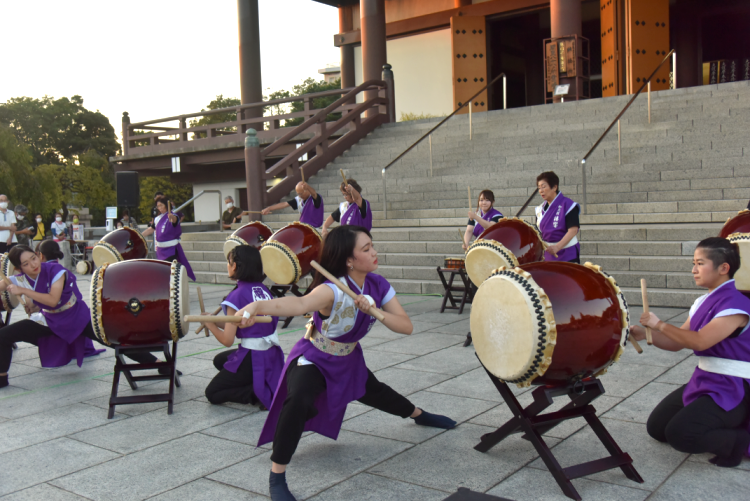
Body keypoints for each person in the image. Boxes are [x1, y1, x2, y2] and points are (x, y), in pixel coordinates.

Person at [236, 225, 456, 501]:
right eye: (366, 249)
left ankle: (418, 415)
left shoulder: (378, 285)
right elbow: (299, 305)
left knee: (375, 391)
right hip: (315, 358)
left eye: (372, 246)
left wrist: (375, 310)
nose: (374, 253)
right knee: (300, 400)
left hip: (348, 358)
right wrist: (257, 307)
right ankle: (277, 475)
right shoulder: (332, 290)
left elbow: (406, 326)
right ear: (349, 260)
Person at [632, 237, 750, 468]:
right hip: (706, 379)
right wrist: (643, 334)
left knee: (681, 435)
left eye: (700, 263)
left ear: (723, 268)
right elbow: (678, 342)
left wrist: (660, 324)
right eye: (693, 263)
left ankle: (736, 439)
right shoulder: (702, 301)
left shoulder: (737, 306)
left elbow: (700, 341)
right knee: (657, 428)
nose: (694, 270)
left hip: (735, 388)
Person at [0, 245, 160, 388]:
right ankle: (2, 378)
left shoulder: (56, 271)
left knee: (112, 339)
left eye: (33, 258)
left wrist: (24, 292)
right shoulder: (19, 279)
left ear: (39, 255)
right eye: (26, 264)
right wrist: (32, 305)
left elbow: (53, 299)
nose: (33, 265)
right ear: (19, 268)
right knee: (3, 335)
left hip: (75, 317)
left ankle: (158, 363)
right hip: (49, 320)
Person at [202, 245, 283, 407]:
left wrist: (210, 325)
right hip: (271, 354)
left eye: (229, 262)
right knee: (220, 360)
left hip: (254, 356)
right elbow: (237, 323)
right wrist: (214, 320)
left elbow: (227, 340)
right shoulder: (264, 290)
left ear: (236, 267)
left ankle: (254, 393)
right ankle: (257, 381)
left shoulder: (237, 295)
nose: (227, 265)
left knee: (212, 393)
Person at [34, 240, 104, 359]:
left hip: (56, 314)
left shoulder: (43, 271)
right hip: (72, 312)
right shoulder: (60, 268)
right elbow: (77, 295)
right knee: (82, 310)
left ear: (41, 255)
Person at [142, 196, 196, 281]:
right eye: (158, 206)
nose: (159, 208)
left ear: (166, 205)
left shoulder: (173, 215)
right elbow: (151, 229)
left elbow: (174, 220)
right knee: (162, 270)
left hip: (171, 249)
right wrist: (140, 235)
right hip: (160, 250)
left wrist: (172, 217)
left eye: (161, 205)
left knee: (170, 270)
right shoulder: (157, 219)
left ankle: (171, 289)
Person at [535, 171, 580, 263]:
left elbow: (573, 230)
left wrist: (557, 247)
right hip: (548, 255)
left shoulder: (568, 205)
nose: (541, 191)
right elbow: (538, 232)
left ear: (554, 187)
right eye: (539, 188)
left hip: (568, 253)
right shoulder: (539, 210)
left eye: (543, 187)